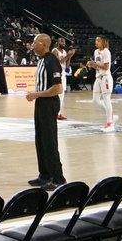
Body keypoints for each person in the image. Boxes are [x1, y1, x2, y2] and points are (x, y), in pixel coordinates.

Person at [27, 34, 65, 188]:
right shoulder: (41, 60)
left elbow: (57, 88)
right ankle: (44, 175)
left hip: (49, 103)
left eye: (34, 43)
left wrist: (36, 94)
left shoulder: (51, 61)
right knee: (40, 140)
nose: (32, 45)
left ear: (43, 44)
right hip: (41, 102)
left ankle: (58, 179)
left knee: (49, 141)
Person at [86, 36, 117, 133]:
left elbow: (106, 67)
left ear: (103, 42)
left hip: (106, 78)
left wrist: (95, 63)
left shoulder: (106, 51)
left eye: (98, 40)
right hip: (98, 77)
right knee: (95, 100)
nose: (96, 42)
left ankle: (110, 123)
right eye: (95, 40)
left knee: (106, 100)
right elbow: (98, 67)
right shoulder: (96, 52)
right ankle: (111, 116)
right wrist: (92, 64)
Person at [53, 39, 74, 120]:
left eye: (64, 42)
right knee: (57, 93)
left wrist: (70, 57)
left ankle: (59, 113)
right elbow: (59, 62)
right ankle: (55, 113)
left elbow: (66, 64)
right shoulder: (54, 51)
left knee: (62, 94)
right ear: (58, 42)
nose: (64, 43)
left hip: (63, 74)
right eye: (62, 42)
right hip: (57, 74)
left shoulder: (65, 51)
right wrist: (68, 56)